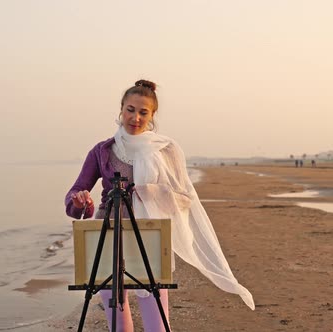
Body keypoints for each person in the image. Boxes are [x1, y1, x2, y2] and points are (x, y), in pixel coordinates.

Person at [65, 80, 254, 331]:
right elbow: (76, 195)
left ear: (152, 116)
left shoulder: (165, 150)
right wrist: (81, 201)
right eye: (131, 109)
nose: (136, 117)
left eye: (144, 112)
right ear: (121, 109)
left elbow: (184, 198)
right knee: (117, 319)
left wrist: (149, 192)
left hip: (149, 234)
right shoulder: (101, 151)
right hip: (107, 233)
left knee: (156, 315)